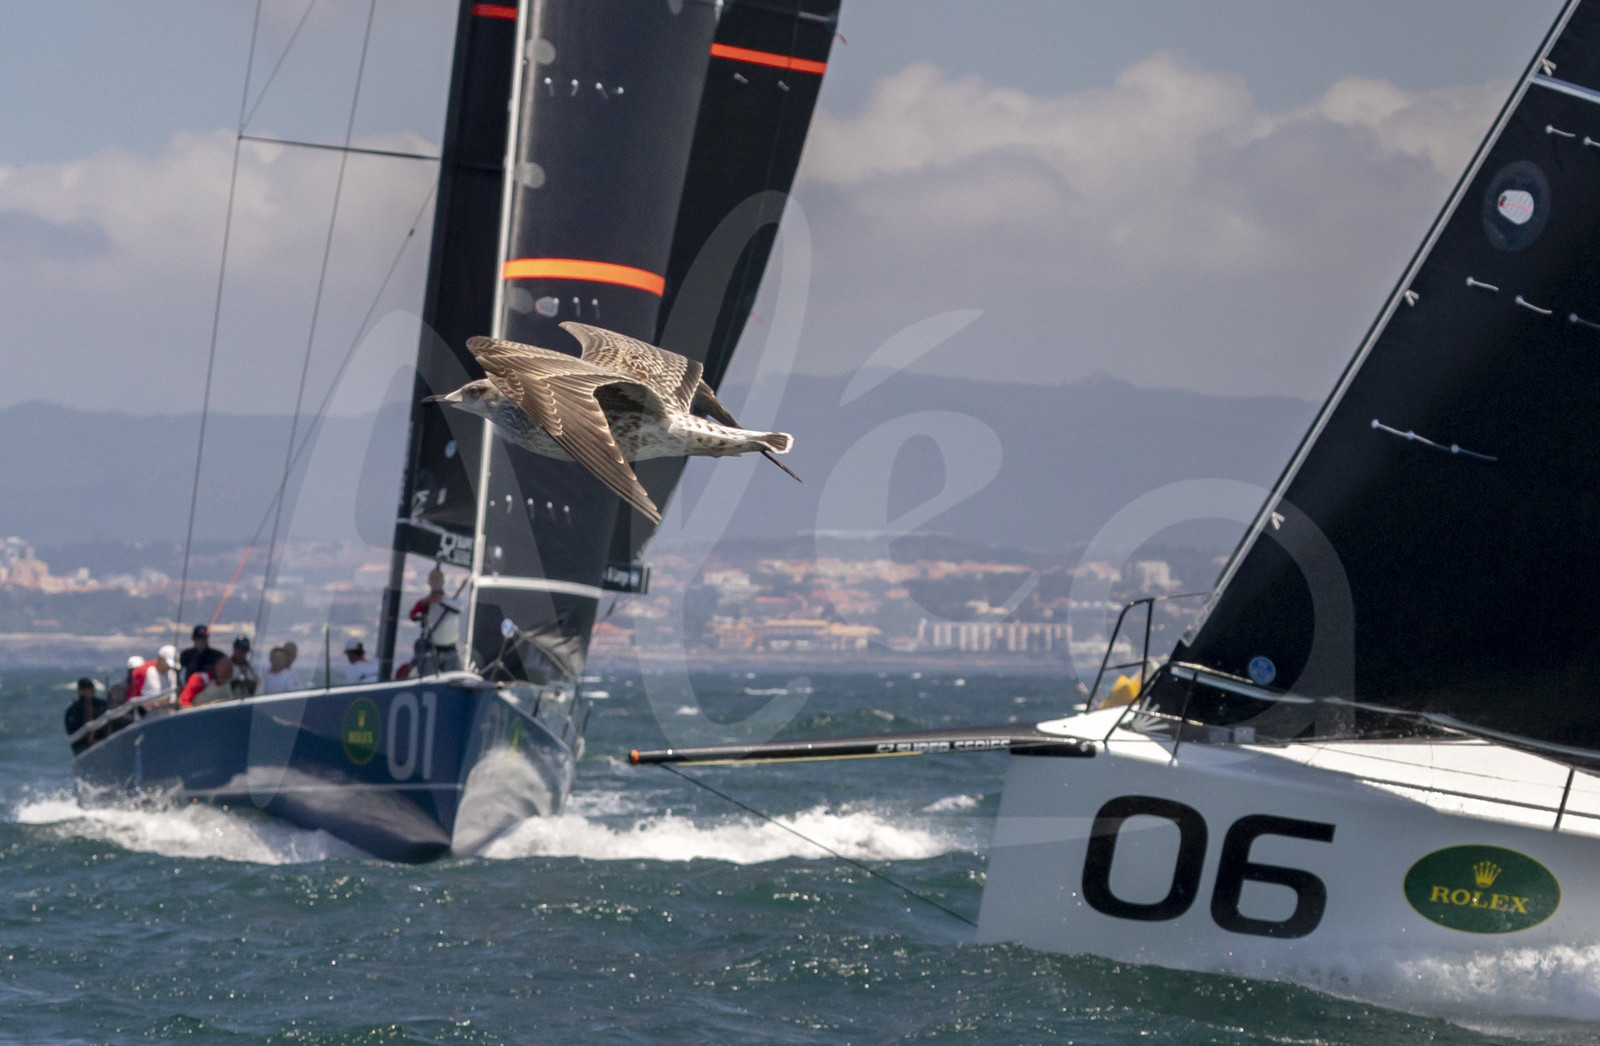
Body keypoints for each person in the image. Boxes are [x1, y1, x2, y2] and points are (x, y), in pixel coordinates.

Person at [408, 567, 462, 675]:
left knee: (455, 678)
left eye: (438, 578)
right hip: (431, 648)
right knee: (429, 679)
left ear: (443, 581)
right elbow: (413, 615)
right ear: (429, 581)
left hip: (450, 648)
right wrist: (429, 605)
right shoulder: (424, 602)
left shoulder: (452, 602)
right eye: (433, 578)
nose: (436, 581)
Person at [63, 677, 107, 754]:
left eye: (91, 688)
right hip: (81, 746)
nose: (91, 691)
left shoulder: (102, 705)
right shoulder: (73, 710)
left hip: (102, 742)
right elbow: (72, 730)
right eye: (87, 688)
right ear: (81, 691)